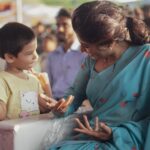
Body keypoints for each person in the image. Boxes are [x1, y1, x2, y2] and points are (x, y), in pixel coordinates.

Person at [46, 1, 150, 150]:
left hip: (129, 141)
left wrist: (115, 133)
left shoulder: (145, 58)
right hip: (91, 137)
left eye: (86, 45)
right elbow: (75, 94)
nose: (82, 50)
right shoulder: (91, 60)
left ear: (109, 43)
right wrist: (61, 107)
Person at [0, 22, 56, 121]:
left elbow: (46, 108)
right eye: (29, 53)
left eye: (35, 50)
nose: (36, 56)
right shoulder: (3, 80)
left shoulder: (34, 80)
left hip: (33, 132)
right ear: (10, 57)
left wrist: (47, 87)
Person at [45, 8, 86, 100]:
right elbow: (48, 85)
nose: (60, 29)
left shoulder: (84, 54)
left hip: (78, 103)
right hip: (55, 102)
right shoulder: (52, 56)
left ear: (76, 27)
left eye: (65, 25)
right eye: (58, 25)